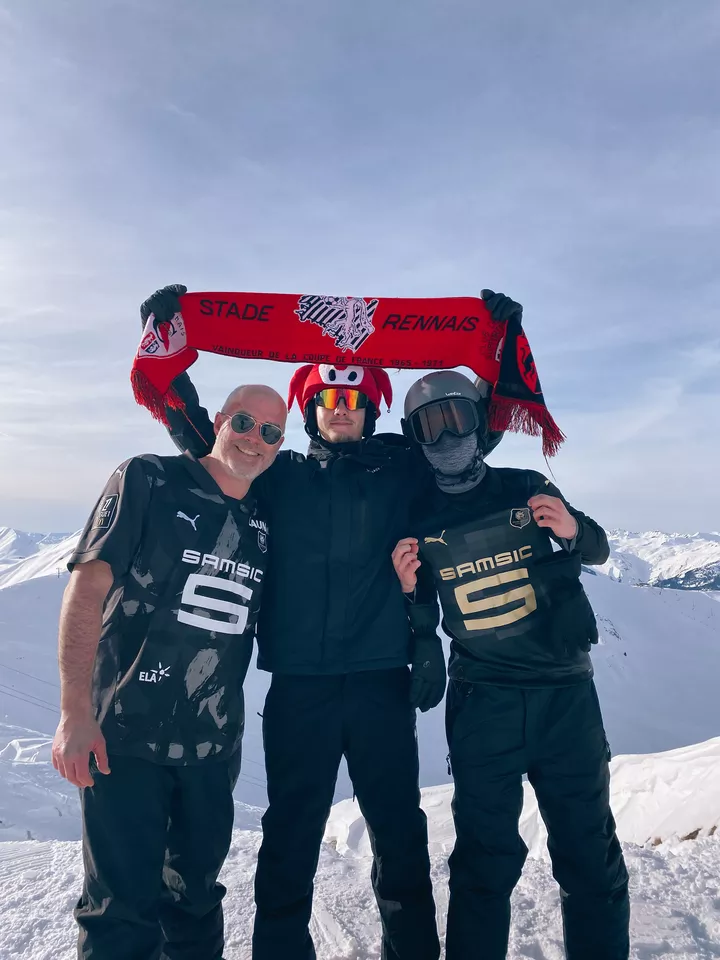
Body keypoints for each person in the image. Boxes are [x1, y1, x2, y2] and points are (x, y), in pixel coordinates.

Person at [138, 283, 449, 960]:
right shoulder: (278, 477)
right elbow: (206, 439)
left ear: (370, 408)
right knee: (290, 835)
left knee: (400, 836)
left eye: (353, 398)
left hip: (380, 685)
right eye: (329, 398)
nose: (342, 409)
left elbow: (461, 439)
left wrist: (499, 347)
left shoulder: (403, 474)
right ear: (310, 406)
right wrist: (169, 351)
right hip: (300, 691)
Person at [392, 365, 630, 960]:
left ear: (482, 422)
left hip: (564, 698)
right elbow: (420, 601)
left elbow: (597, 545)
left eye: (457, 417)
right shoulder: (417, 516)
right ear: (413, 437)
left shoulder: (525, 485)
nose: (447, 438)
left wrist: (573, 529)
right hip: (485, 703)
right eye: (429, 426)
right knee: (483, 862)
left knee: (588, 854)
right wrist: (412, 613)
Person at [51, 383, 287, 960]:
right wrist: (74, 713)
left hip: (212, 748)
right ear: (219, 422)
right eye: (244, 423)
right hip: (124, 737)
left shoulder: (266, 519)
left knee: (195, 904)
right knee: (120, 910)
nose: (255, 439)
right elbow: (86, 591)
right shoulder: (149, 480)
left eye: (271, 432)